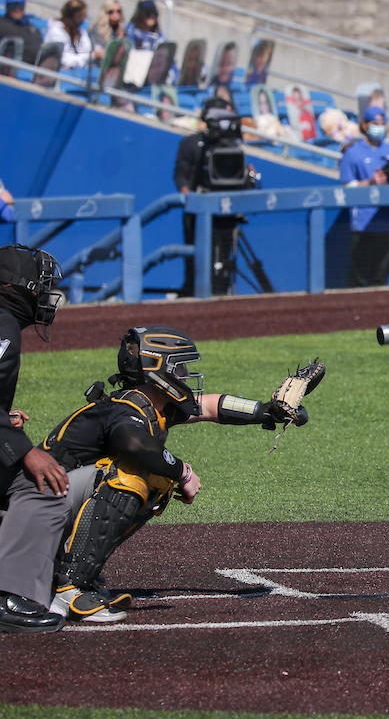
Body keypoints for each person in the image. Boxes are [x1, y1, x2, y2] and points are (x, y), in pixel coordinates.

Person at [44, 326, 308, 624]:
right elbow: (132, 445)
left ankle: (70, 574)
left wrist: (266, 411)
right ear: (158, 370)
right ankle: (69, 587)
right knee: (137, 474)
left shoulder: (147, 404)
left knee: (155, 478)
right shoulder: (125, 409)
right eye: (179, 367)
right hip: (37, 510)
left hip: (52, 507)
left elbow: (209, 406)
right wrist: (182, 471)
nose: (184, 374)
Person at [0, 245, 68, 633]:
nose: (45, 297)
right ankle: (9, 594)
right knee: (42, 485)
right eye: (39, 287)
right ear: (15, 287)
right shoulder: (3, 325)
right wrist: (25, 450)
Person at [174, 97, 258, 297]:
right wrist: (191, 199)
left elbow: (242, 178)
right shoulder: (191, 143)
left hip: (226, 212)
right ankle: (193, 293)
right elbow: (180, 176)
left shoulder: (232, 147)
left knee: (224, 259)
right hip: (197, 214)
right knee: (197, 258)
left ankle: (222, 293)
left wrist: (249, 175)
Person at [340, 106, 389, 288]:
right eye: (375, 123)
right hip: (363, 223)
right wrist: (370, 182)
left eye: (382, 123)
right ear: (364, 124)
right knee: (359, 278)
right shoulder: (353, 152)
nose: (379, 127)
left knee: (381, 279)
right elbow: (347, 187)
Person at [44, 0, 98, 70]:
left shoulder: (80, 33)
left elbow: (86, 50)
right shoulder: (56, 32)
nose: (84, 20)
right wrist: (92, 56)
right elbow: (65, 60)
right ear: (77, 16)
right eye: (84, 16)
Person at [0, 0, 42, 66]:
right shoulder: (2, 24)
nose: (17, 8)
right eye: (13, 4)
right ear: (7, 6)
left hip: (34, 69)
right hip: (9, 70)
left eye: (20, 4)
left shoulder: (31, 27)